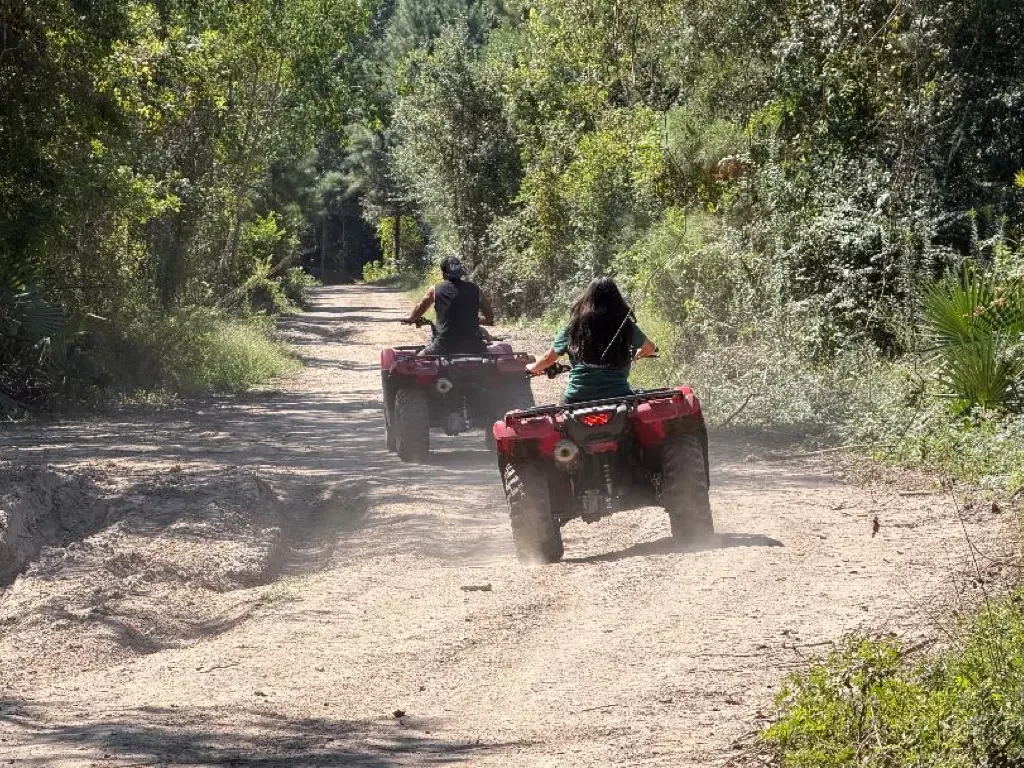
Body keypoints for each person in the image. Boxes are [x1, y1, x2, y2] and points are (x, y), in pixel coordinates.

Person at [526, 277, 657, 403]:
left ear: (588, 299)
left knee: (560, 422)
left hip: (577, 397)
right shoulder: (625, 325)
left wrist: (532, 368)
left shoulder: (574, 326)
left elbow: (548, 358)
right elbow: (650, 348)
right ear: (617, 300)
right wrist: (634, 355)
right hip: (619, 395)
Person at [404, 256, 495, 355]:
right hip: (474, 346)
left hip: (443, 346)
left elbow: (420, 307)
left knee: (419, 358)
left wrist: (412, 318)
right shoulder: (476, 289)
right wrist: (479, 320)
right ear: (460, 272)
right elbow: (490, 316)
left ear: (443, 273)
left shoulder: (435, 289)